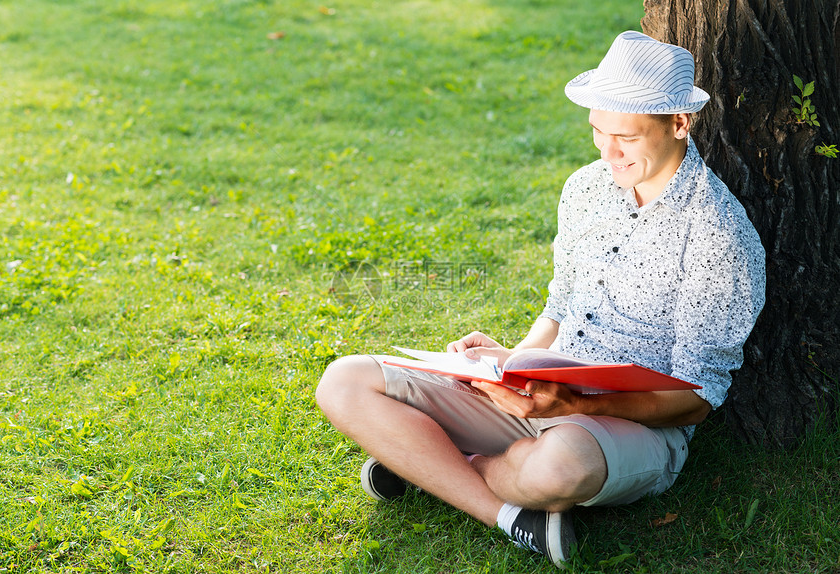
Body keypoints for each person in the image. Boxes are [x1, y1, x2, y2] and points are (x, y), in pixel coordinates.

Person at [316, 31, 766, 568]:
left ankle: (435, 464)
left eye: (625, 137)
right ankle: (509, 514)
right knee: (344, 381)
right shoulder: (585, 188)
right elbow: (562, 304)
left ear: (679, 123)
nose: (608, 152)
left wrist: (575, 405)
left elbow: (698, 397)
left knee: (558, 470)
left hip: (629, 427)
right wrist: (511, 363)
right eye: (597, 132)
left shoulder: (720, 235)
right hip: (541, 392)